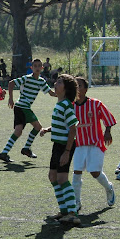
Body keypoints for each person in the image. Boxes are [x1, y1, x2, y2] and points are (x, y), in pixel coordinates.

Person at [40, 74, 81, 225]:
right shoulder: (60, 104)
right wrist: (48, 129)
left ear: (66, 88)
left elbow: (72, 129)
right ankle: (64, 211)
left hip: (64, 146)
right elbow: (62, 125)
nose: (55, 84)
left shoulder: (66, 105)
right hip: (57, 145)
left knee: (62, 179)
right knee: (53, 177)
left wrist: (67, 151)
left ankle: (72, 212)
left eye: (59, 82)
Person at [0, 58, 57, 162]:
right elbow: (11, 83)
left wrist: (63, 95)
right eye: (35, 66)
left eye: (39, 66)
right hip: (22, 107)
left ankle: (4, 153)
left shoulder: (41, 81)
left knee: (18, 132)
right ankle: (26, 148)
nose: (37, 68)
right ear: (32, 68)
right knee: (38, 126)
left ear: (42, 68)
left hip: (22, 107)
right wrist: (10, 98)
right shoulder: (27, 78)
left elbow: (51, 93)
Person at [72, 77, 116, 211]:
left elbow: (108, 118)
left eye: (80, 86)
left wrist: (107, 131)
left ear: (85, 89)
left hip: (95, 143)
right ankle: (76, 202)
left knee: (94, 172)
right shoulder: (71, 106)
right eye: (75, 86)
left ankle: (109, 188)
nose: (78, 89)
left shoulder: (95, 104)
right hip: (79, 144)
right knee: (76, 172)